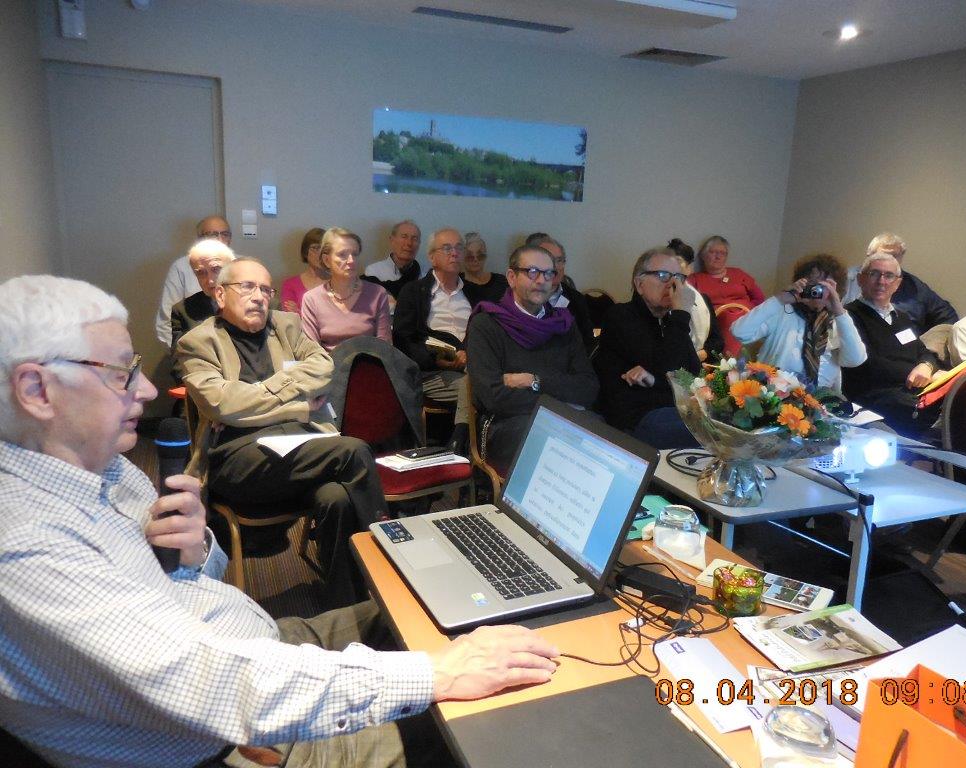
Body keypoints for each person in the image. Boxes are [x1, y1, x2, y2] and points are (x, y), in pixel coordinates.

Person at [0, 273, 559, 768]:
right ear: (35, 389)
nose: (146, 391)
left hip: (263, 643)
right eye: (122, 373)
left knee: (445, 605)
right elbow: (215, 686)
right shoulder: (26, 544)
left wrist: (196, 554)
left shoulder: (108, 470)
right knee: (507, 726)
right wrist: (438, 675)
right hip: (243, 733)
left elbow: (321, 374)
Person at [177, 257, 384, 606]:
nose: (259, 296)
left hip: (302, 449)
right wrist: (298, 404)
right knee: (354, 451)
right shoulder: (198, 342)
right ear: (220, 295)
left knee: (336, 498)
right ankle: (389, 565)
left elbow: (322, 368)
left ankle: (348, 605)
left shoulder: (286, 325)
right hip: (239, 461)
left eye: (265, 289)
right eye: (247, 286)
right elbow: (222, 404)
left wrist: (259, 399)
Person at [467, 245, 599, 473]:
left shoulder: (563, 325)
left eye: (548, 273)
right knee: (549, 440)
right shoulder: (487, 324)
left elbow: (588, 388)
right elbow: (493, 397)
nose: (541, 280)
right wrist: (560, 402)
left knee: (603, 434)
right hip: (505, 425)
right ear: (511, 277)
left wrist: (534, 380)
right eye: (532, 272)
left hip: (562, 420)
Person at [593, 248, 702, 449]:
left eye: (678, 277)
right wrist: (681, 314)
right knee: (709, 431)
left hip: (673, 409)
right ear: (639, 284)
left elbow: (694, 375)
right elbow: (668, 368)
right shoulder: (620, 316)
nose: (673, 284)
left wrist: (655, 380)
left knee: (725, 421)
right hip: (637, 417)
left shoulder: (670, 322)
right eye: (662, 276)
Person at [841, 252, 944, 438]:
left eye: (889, 276)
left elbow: (925, 353)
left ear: (897, 283)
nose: (882, 281)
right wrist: (912, 373)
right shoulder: (849, 316)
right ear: (860, 279)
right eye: (874, 274)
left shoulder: (901, 318)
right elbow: (869, 366)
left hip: (913, 393)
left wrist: (925, 366)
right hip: (875, 397)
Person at [732, 253, 866, 392]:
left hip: (819, 401)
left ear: (836, 289)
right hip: (774, 395)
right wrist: (780, 299)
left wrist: (838, 310)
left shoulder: (839, 320)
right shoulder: (782, 311)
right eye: (812, 284)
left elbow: (854, 360)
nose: (817, 291)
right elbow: (740, 332)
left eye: (824, 285)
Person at [393, 227, 473, 408]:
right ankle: (462, 437)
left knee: (499, 386)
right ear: (431, 257)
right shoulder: (413, 292)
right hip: (432, 370)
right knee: (474, 390)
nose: (454, 253)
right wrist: (433, 360)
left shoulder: (474, 293)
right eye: (446, 248)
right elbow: (403, 339)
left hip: (473, 364)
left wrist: (468, 353)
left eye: (459, 248)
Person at [843, 232, 957, 334]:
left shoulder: (914, 286)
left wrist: (931, 344)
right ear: (869, 256)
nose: (889, 261)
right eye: (882, 256)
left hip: (910, 347)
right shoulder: (848, 280)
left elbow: (947, 316)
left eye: (894, 256)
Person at [301, 228, 391, 351]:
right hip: (328, 368)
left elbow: (384, 348)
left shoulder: (377, 294)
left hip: (369, 366)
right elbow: (312, 353)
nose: (351, 261)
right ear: (327, 260)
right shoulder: (312, 299)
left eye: (354, 254)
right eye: (342, 255)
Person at [155, 214, 232, 347]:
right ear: (199, 238)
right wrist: (180, 355)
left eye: (225, 234)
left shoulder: (242, 265)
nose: (219, 239)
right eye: (212, 234)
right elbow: (166, 322)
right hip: (194, 350)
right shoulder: (182, 267)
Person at [687, 235, 766, 356]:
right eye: (713, 252)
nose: (718, 256)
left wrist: (747, 312)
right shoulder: (695, 279)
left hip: (747, 321)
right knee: (729, 319)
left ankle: (730, 362)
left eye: (722, 253)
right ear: (703, 256)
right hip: (717, 323)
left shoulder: (739, 274)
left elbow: (759, 299)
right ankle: (730, 361)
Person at [524, 233, 596, 353]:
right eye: (549, 260)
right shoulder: (520, 298)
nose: (556, 267)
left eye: (559, 260)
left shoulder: (576, 299)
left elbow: (588, 343)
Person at [169, 238, 235, 354]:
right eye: (201, 273)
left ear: (233, 268)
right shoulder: (183, 311)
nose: (210, 281)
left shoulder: (265, 304)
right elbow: (180, 360)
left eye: (216, 269)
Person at [666, 237, 724, 361]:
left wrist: (703, 353)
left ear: (689, 268)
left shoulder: (703, 300)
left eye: (677, 262)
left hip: (701, 364)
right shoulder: (660, 300)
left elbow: (718, 341)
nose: (671, 268)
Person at [362, 219, 422, 311]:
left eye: (414, 239)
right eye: (404, 237)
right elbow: (375, 307)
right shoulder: (373, 272)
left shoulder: (425, 276)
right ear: (392, 240)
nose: (409, 243)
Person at [280, 227, 327, 313]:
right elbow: (290, 318)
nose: (320, 254)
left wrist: (299, 311)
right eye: (316, 248)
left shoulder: (336, 282)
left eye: (324, 249)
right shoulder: (290, 284)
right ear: (305, 252)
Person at [462, 231, 508, 304]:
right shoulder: (457, 282)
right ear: (462, 257)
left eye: (480, 255)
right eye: (469, 256)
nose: (475, 260)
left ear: (485, 256)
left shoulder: (501, 280)